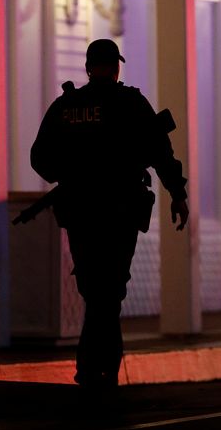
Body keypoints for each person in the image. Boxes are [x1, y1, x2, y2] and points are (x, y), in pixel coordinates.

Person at [30, 38, 189, 389]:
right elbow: (162, 153)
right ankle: (100, 369)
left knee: (95, 289)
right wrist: (177, 194)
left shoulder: (67, 106)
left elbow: (40, 157)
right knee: (109, 289)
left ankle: (94, 369)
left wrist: (71, 175)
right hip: (119, 209)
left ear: (88, 67)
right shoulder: (130, 103)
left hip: (81, 210)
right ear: (115, 66)